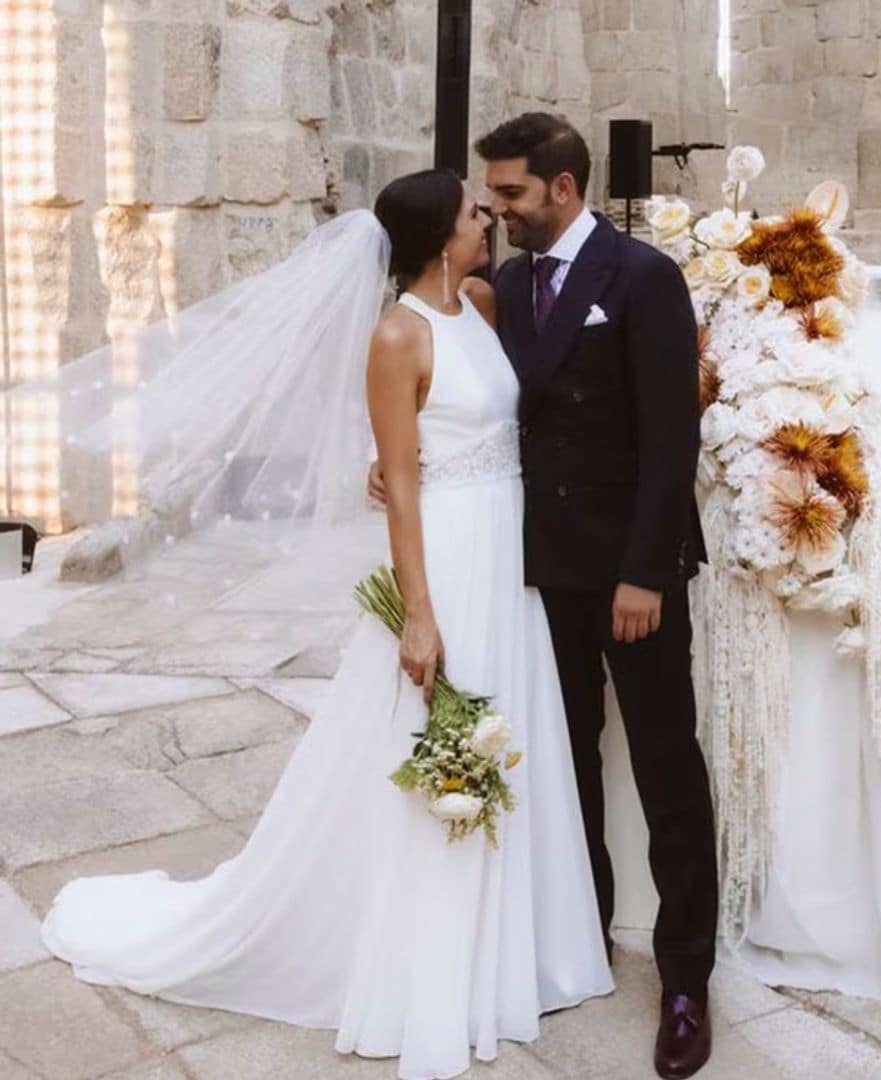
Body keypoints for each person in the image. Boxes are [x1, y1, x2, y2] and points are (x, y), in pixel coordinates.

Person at [38, 169, 614, 1080]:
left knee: (518, 732)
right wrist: (418, 614)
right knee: (440, 739)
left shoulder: (481, 302)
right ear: (437, 236)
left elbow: (509, 426)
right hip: (452, 559)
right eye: (474, 213)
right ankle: (427, 965)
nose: (488, 221)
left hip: (513, 556)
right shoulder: (397, 334)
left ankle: (521, 953)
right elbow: (403, 482)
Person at [372, 113, 719, 1080]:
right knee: (562, 767)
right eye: (490, 199)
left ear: (562, 189)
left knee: (663, 768)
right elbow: (469, 408)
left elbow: (670, 439)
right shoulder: (502, 290)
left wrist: (645, 571)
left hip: (631, 576)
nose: (500, 210)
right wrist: (396, 461)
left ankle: (687, 979)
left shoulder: (644, 279)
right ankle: (583, 939)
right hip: (537, 578)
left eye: (513, 194)